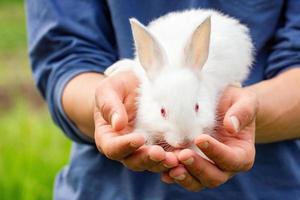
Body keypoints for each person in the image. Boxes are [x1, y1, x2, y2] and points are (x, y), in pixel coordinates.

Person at [26, 0, 300, 199]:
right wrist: (110, 109)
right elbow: (64, 56)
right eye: (163, 114)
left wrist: (244, 112)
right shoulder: (146, 81)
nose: (182, 139)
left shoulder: (208, 68)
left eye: (196, 108)